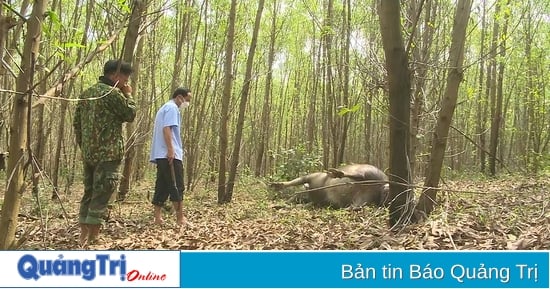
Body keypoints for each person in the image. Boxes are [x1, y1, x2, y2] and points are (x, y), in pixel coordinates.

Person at [73, 59, 136, 246]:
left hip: (89, 154)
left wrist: (85, 146)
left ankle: (83, 236)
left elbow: (77, 124)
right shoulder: (112, 93)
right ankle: (93, 238)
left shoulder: (87, 93)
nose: (126, 83)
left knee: (89, 192)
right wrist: (129, 96)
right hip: (108, 154)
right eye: (125, 79)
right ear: (116, 76)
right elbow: (130, 114)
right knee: (102, 195)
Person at [150, 87, 192, 225]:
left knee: (162, 184)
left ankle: (157, 217)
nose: (187, 103)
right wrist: (170, 149)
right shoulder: (172, 108)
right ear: (179, 97)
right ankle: (180, 218)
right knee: (176, 184)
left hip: (161, 154)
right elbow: (167, 128)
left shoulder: (164, 108)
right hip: (170, 154)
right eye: (187, 100)